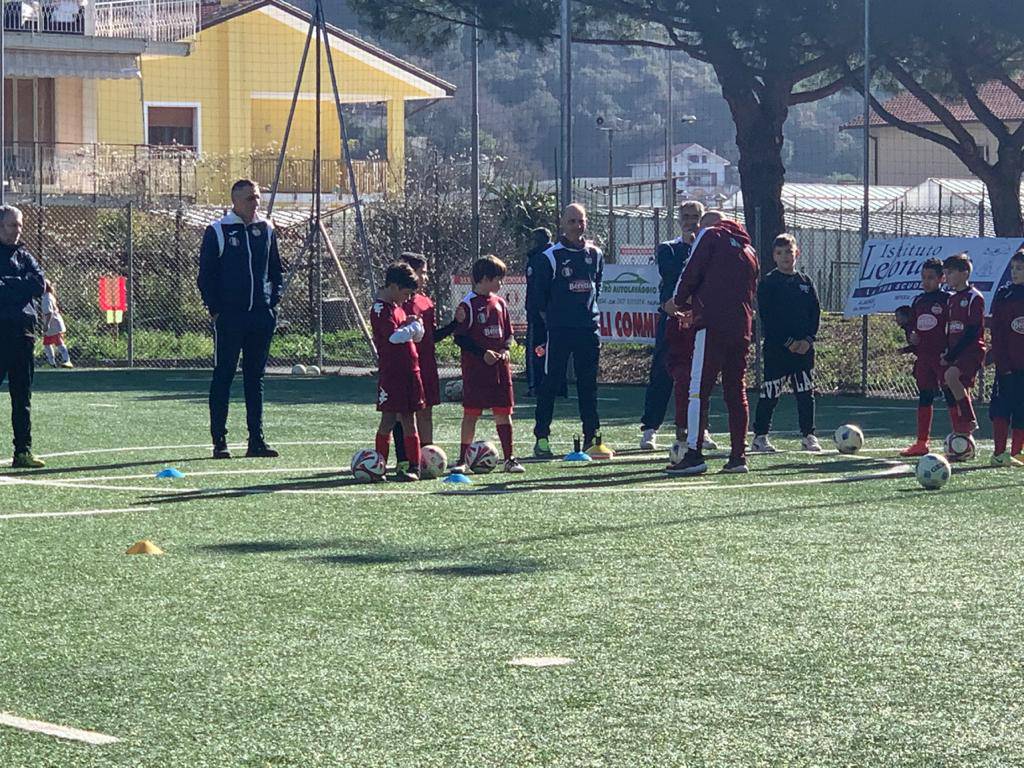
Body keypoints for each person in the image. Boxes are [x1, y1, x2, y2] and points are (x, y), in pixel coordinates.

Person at [663, 213, 759, 475]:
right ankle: (738, 455)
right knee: (735, 390)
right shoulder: (748, 248)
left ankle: (694, 453)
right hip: (741, 328)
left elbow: (691, 271)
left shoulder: (711, 235)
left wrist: (677, 302)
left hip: (712, 326)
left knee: (697, 390)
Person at [197, 179, 283, 460]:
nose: (255, 203)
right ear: (235, 200)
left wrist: (271, 303)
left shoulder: (266, 229)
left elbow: (275, 272)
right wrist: (216, 309)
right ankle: (219, 441)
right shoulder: (218, 230)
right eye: (249, 198)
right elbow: (205, 276)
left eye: (257, 197)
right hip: (230, 318)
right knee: (223, 375)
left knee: (254, 379)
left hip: (261, 316)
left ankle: (256, 441)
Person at [531, 203, 612, 459]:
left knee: (588, 385)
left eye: (581, 220)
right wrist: (555, 321)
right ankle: (542, 437)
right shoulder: (551, 257)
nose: (578, 226)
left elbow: (595, 285)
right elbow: (539, 300)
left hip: (589, 329)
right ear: (563, 223)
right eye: (572, 221)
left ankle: (592, 437)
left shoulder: (595, 254)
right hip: (559, 331)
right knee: (551, 383)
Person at [640, 200, 716, 452]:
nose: (690, 220)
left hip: (699, 321)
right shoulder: (668, 249)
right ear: (679, 218)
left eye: (695, 216)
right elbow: (672, 277)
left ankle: (699, 429)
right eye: (686, 215)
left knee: (700, 377)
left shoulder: (711, 249)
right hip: (673, 319)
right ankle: (650, 428)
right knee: (662, 373)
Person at [450, 255, 525, 474]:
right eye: (498, 279)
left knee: (504, 413)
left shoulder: (500, 303)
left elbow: (508, 334)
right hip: (476, 371)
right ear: (484, 278)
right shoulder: (468, 304)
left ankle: (509, 458)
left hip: (500, 371)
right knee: (471, 414)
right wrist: (483, 354)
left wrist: (505, 349)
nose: (501, 283)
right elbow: (460, 338)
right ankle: (462, 460)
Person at [750, 234, 821, 453]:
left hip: (804, 350)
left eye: (789, 252)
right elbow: (769, 317)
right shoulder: (769, 283)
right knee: (770, 393)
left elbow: (815, 313)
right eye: (780, 253)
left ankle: (809, 435)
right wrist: (788, 342)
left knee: (805, 393)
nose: (785, 257)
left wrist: (808, 340)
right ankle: (760, 436)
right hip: (777, 350)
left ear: (796, 253)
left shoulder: (805, 282)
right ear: (773, 256)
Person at [391, 252, 457, 473]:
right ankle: (404, 458)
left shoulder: (426, 302)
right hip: (404, 367)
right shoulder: (396, 303)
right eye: (423, 273)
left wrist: (454, 325)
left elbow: (430, 337)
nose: (425, 277)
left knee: (426, 412)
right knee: (402, 415)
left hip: (426, 365)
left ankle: (427, 457)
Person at [370, 262, 425, 482]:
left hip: (410, 370)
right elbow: (393, 337)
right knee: (389, 419)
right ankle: (378, 465)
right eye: (405, 293)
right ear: (392, 286)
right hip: (393, 374)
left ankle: (413, 465)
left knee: (409, 418)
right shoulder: (380, 309)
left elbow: (407, 334)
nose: (407, 298)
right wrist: (411, 328)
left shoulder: (398, 308)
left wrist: (412, 324)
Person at [0, 204, 46, 468]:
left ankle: (23, 451)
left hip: (23, 334)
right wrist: (20, 285)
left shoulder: (25, 255)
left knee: (22, 396)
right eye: (11, 225)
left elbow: (39, 284)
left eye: (19, 225)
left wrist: (10, 283)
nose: (17, 230)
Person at [895, 258, 952, 457]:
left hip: (943, 357)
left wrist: (951, 350)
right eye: (924, 277)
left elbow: (955, 327)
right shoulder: (919, 300)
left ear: (941, 279)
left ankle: (961, 438)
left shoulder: (947, 300)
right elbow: (912, 325)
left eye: (931, 278)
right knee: (925, 396)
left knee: (952, 395)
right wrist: (911, 336)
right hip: (924, 357)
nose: (926, 281)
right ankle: (921, 442)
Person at [941, 253, 985, 439]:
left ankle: (969, 420)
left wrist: (952, 355)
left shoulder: (974, 297)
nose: (947, 277)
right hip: (955, 352)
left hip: (971, 351)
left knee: (951, 377)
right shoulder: (951, 299)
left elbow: (973, 331)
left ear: (965, 273)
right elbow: (950, 328)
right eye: (946, 273)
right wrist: (947, 350)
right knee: (955, 386)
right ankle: (963, 434)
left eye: (951, 273)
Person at [987, 249, 1024, 466]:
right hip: (1007, 366)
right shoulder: (1004, 294)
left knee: (1022, 408)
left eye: (1019, 268)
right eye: (1013, 268)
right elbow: (998, 333)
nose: (1015, 272)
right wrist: (1003, 363)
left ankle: (1017, 452)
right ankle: (999, 454)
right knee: (1002, 407)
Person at [524, 227, 554, 397]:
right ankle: (556, 386)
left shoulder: (538, 258)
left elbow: (536, 288)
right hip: (555, 312)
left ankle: (535, 385)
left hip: (538, 313)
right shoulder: (556, 253)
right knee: (553, 348)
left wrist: (541, 310)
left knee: (536, 348)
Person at [41, 280, 72, 368]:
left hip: (54, 324)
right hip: (52, 324)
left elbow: (49, 313)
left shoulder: (47, 298)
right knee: (47, 343)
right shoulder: (48, 296)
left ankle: (67, 360)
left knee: (59, 343)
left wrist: (46, 325)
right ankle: (51, 363)